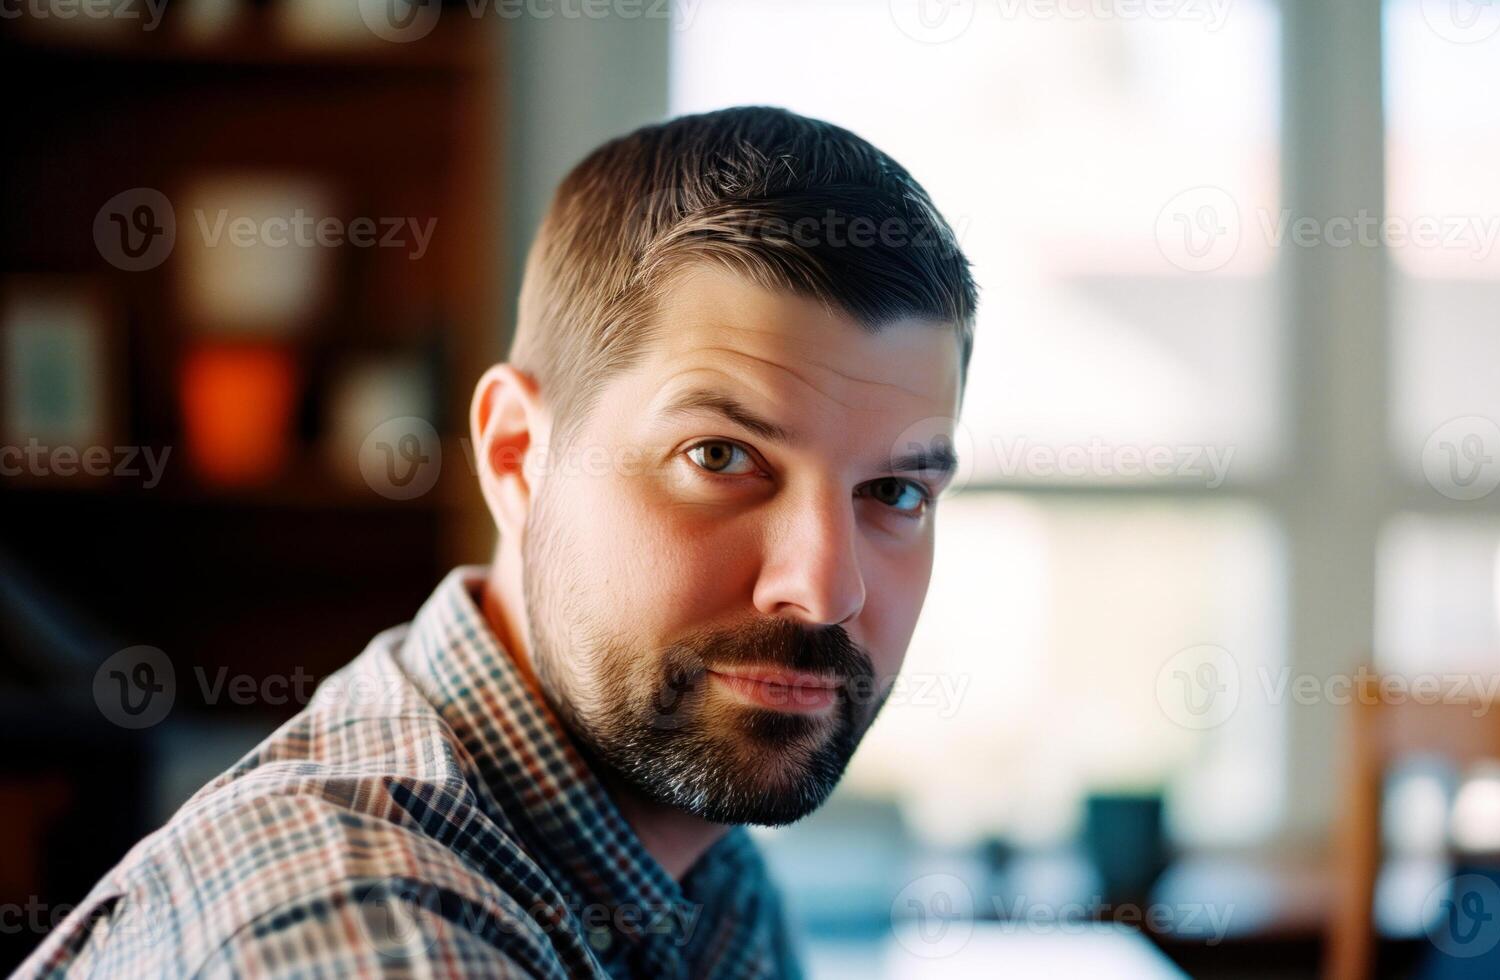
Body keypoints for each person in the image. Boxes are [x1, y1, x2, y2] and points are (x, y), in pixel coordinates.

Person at [22, 105, 977, 979]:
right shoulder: (361, 937)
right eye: (719, 455)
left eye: (893, 490)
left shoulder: (707, 875)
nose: (823, 588)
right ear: (517, 455)